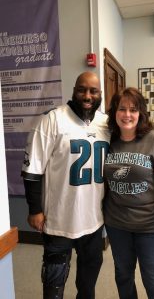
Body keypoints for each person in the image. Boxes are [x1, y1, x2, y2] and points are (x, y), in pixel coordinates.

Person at [21, 71, 111, 299]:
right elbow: (32, 170)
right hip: (59, 219)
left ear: (100, 94)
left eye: (93, 90)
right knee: (54, 282)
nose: (87, 95)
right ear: (74, 90)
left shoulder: (107, 123)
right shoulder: (52, 120)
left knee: (88, 283)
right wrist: (35, 209)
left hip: (93, 220)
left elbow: (135, 137)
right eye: (82, 89)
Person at [103, 87, 154, 299]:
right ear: (114, 112)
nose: (127, 114)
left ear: (141, 113)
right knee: (123, 276)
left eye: (133, 109)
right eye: (122, 109)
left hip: (150, 226)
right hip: (117, 224)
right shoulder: (108, 139)